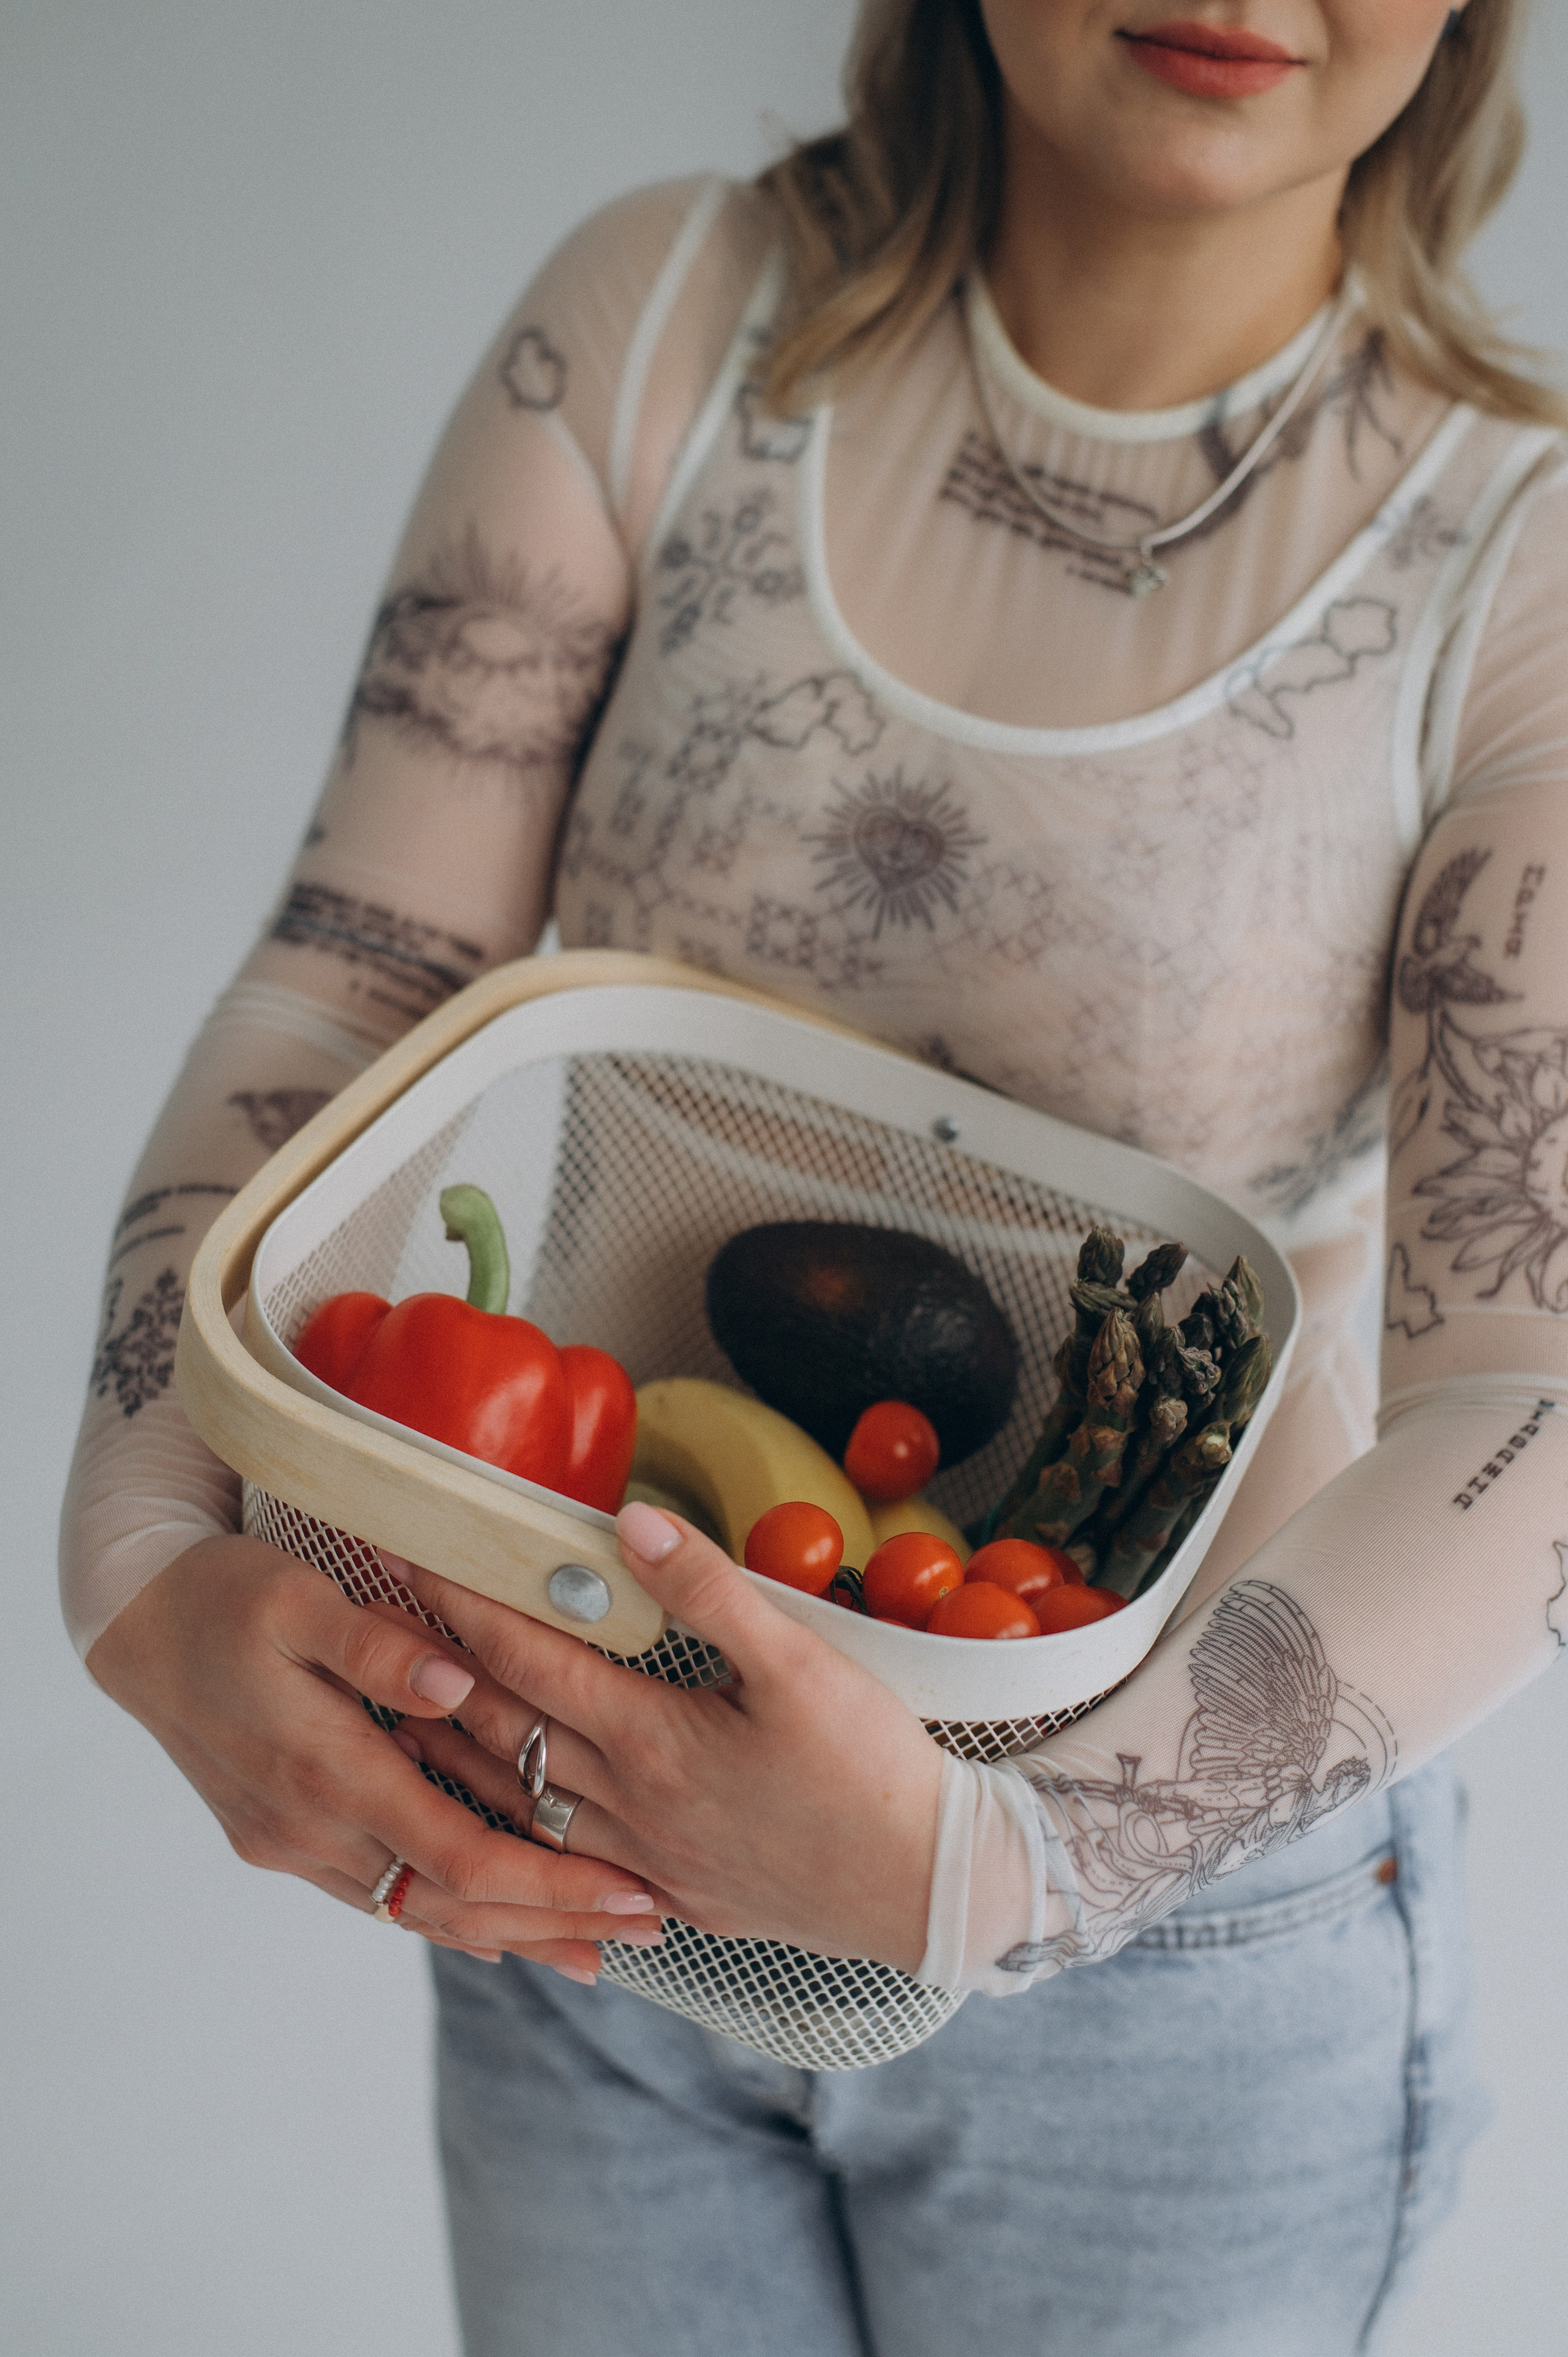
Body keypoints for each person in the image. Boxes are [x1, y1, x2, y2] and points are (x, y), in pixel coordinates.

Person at [62, 2, 1568, 2350]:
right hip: (571, 1833)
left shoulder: (1524, 554)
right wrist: (141, 1548)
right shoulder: (660, 324)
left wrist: (1006, 1864)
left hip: (1167, 1967)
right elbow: (358, 982)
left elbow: (1531, 1392)